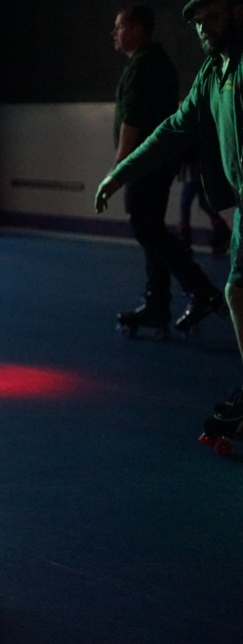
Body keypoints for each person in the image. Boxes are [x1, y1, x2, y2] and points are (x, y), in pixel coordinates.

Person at [96, 0, 243, 438]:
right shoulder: (212, 73)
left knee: (237, 289)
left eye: (212, 18)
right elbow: (174, 128)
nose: (204, 29)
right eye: (198, 22)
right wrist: (121, 173)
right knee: (237, 291)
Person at [109, 5, 222, 336]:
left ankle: (199, 289)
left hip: (146, 162)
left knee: (145, 226)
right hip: (157, 161)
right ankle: (157, 302)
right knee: (151, 226)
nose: (114, 34)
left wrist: (118, 169)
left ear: (139, 29)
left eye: (120, 26)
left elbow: (133, 119)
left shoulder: (143, 65)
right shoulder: (156, 62)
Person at [178, 146, 231, 255]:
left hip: (194, 162)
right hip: (197, 162)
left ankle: (185, 239)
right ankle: (221, 230)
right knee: (201, 202)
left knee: (186, 202)